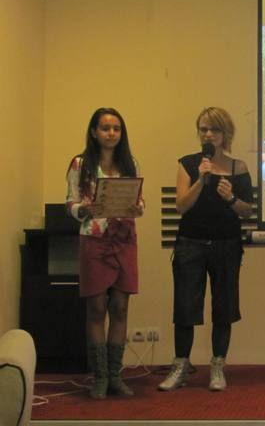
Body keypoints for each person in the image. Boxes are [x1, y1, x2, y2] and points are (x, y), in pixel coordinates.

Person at [158, 107, 253, 392]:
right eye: (203, 129)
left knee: (224, 306)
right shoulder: (188, 164)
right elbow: (181, 206)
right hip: (191, 243)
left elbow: (247, 211)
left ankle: (217, 366)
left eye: (214, 129)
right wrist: (201, 180)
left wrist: (231, 197)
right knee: (185, 306)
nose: (208, 134)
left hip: (226, 244)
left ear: (226, 133)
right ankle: (180, 366)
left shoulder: (238, 168)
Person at [65, 108, 144, 399]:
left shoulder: (130, 163)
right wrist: (84, 209)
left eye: (116, 128)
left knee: (120, 307)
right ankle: (99, 377)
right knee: (96, 308)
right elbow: (70, 203)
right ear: (94, 132)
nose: (111, 133)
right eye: (105, 128)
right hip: (95, 240)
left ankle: (115, 376)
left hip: (124, 238)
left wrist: (138, 208)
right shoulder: (80, 164)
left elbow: (140, 202)